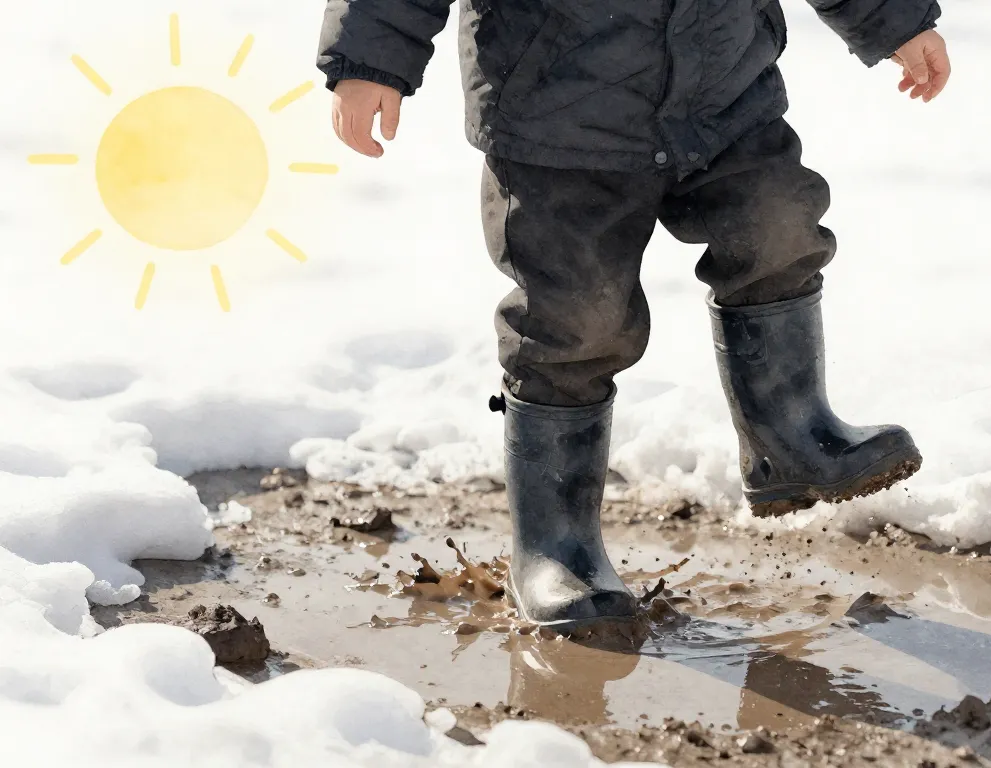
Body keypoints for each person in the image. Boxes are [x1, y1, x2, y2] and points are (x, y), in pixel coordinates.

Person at [317, 0, 950, 630]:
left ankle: (791, 435)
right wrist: (368, 61)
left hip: (723, 94)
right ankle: (555, 549)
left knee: (778, 228)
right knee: (575, 319)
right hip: (558, 114)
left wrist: (897, 21)